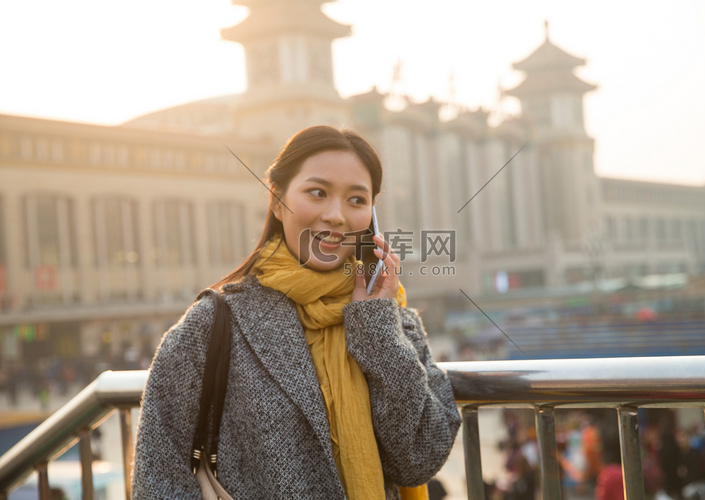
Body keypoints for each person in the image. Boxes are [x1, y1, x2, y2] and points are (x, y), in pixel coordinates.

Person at [131, 126, 462, 499]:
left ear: (371, 217)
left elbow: (419, 460)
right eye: (317, 192)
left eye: (356, 200)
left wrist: (376, 327)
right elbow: (158, 480)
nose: (335, 215)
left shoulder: (392, 318)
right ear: (277, 200)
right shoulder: (212, 325)